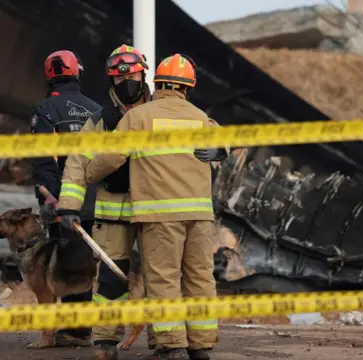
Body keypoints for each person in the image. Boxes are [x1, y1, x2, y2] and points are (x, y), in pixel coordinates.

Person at [84, 54, 227, 360]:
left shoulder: (139, 117)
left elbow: (111, 157)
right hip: (200, 215)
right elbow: (222, 142)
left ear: (156, 82)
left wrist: (90, 173)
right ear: (188, 87)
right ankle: (201, 346)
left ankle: (172, 345)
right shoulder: (201, 117)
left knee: (164, 279)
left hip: (160, 215)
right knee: (200, 278)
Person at [56, 44, 157, 360]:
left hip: (157, 211)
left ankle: (166, 342)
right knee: (111, 282)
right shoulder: (102, 120)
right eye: (118, 78)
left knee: (160, 278)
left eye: (133, 76)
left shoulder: (161, 115)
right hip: (113, 212)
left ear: (143, 75)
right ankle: (104, 342)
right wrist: (69, 205)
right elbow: (76, 162)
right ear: (110, 81)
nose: (126, 83)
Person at [30, 49, 101, 347]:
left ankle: (76, 331)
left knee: (68, 263)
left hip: (63, 201)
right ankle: (82, 327)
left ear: (50, 75)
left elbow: (45, 161)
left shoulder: (45, 111)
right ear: (78, 72)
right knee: (88, 263)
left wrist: (51, 198)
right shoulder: (96, 110)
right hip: (98, 200)